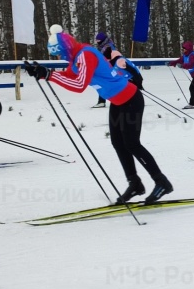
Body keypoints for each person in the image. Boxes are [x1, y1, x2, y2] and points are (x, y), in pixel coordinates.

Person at [25, 30, 173, 204]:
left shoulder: (86, 54)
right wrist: (44, 73)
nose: (60, 57)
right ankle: (135, 184)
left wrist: (50, 75)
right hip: (117, 102)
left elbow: (80, 84)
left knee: (132, 144)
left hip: (130, 98)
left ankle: (161, 182)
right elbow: (71, 76)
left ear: (66, 48)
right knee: (118, 143)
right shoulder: (75, 58)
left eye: (60, 53)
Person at [92, 32, 117, 108]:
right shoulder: (106, 46)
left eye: (99, 40)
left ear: (103, 40)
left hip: (109, 69)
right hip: (109, 68)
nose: (98, 42)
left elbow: (105, 59)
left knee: (103, 84)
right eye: (96, 41)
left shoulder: (108, 47)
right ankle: (102, 101)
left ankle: (102, 101)